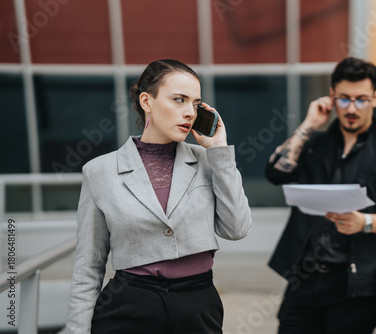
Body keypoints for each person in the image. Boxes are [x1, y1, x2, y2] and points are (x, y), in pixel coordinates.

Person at [66, 59, 252, 333]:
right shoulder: (99, 172)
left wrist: (220, 151)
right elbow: (88, 265)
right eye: (179, 100)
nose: (189, 112)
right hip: (127, 306)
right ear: (146, 101)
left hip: (197, 304)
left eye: (195, 103)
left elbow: (236, 229)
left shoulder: (210, 161)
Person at [265, 57, 376, 333]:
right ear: (332, 96)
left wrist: (366, 223)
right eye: (344, 99)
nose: (351, 108)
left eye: (361, 99)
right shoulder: (315, 142)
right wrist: (309, 125)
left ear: (375, 98)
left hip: (354, 287)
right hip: (304, 278)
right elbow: (276, 172)